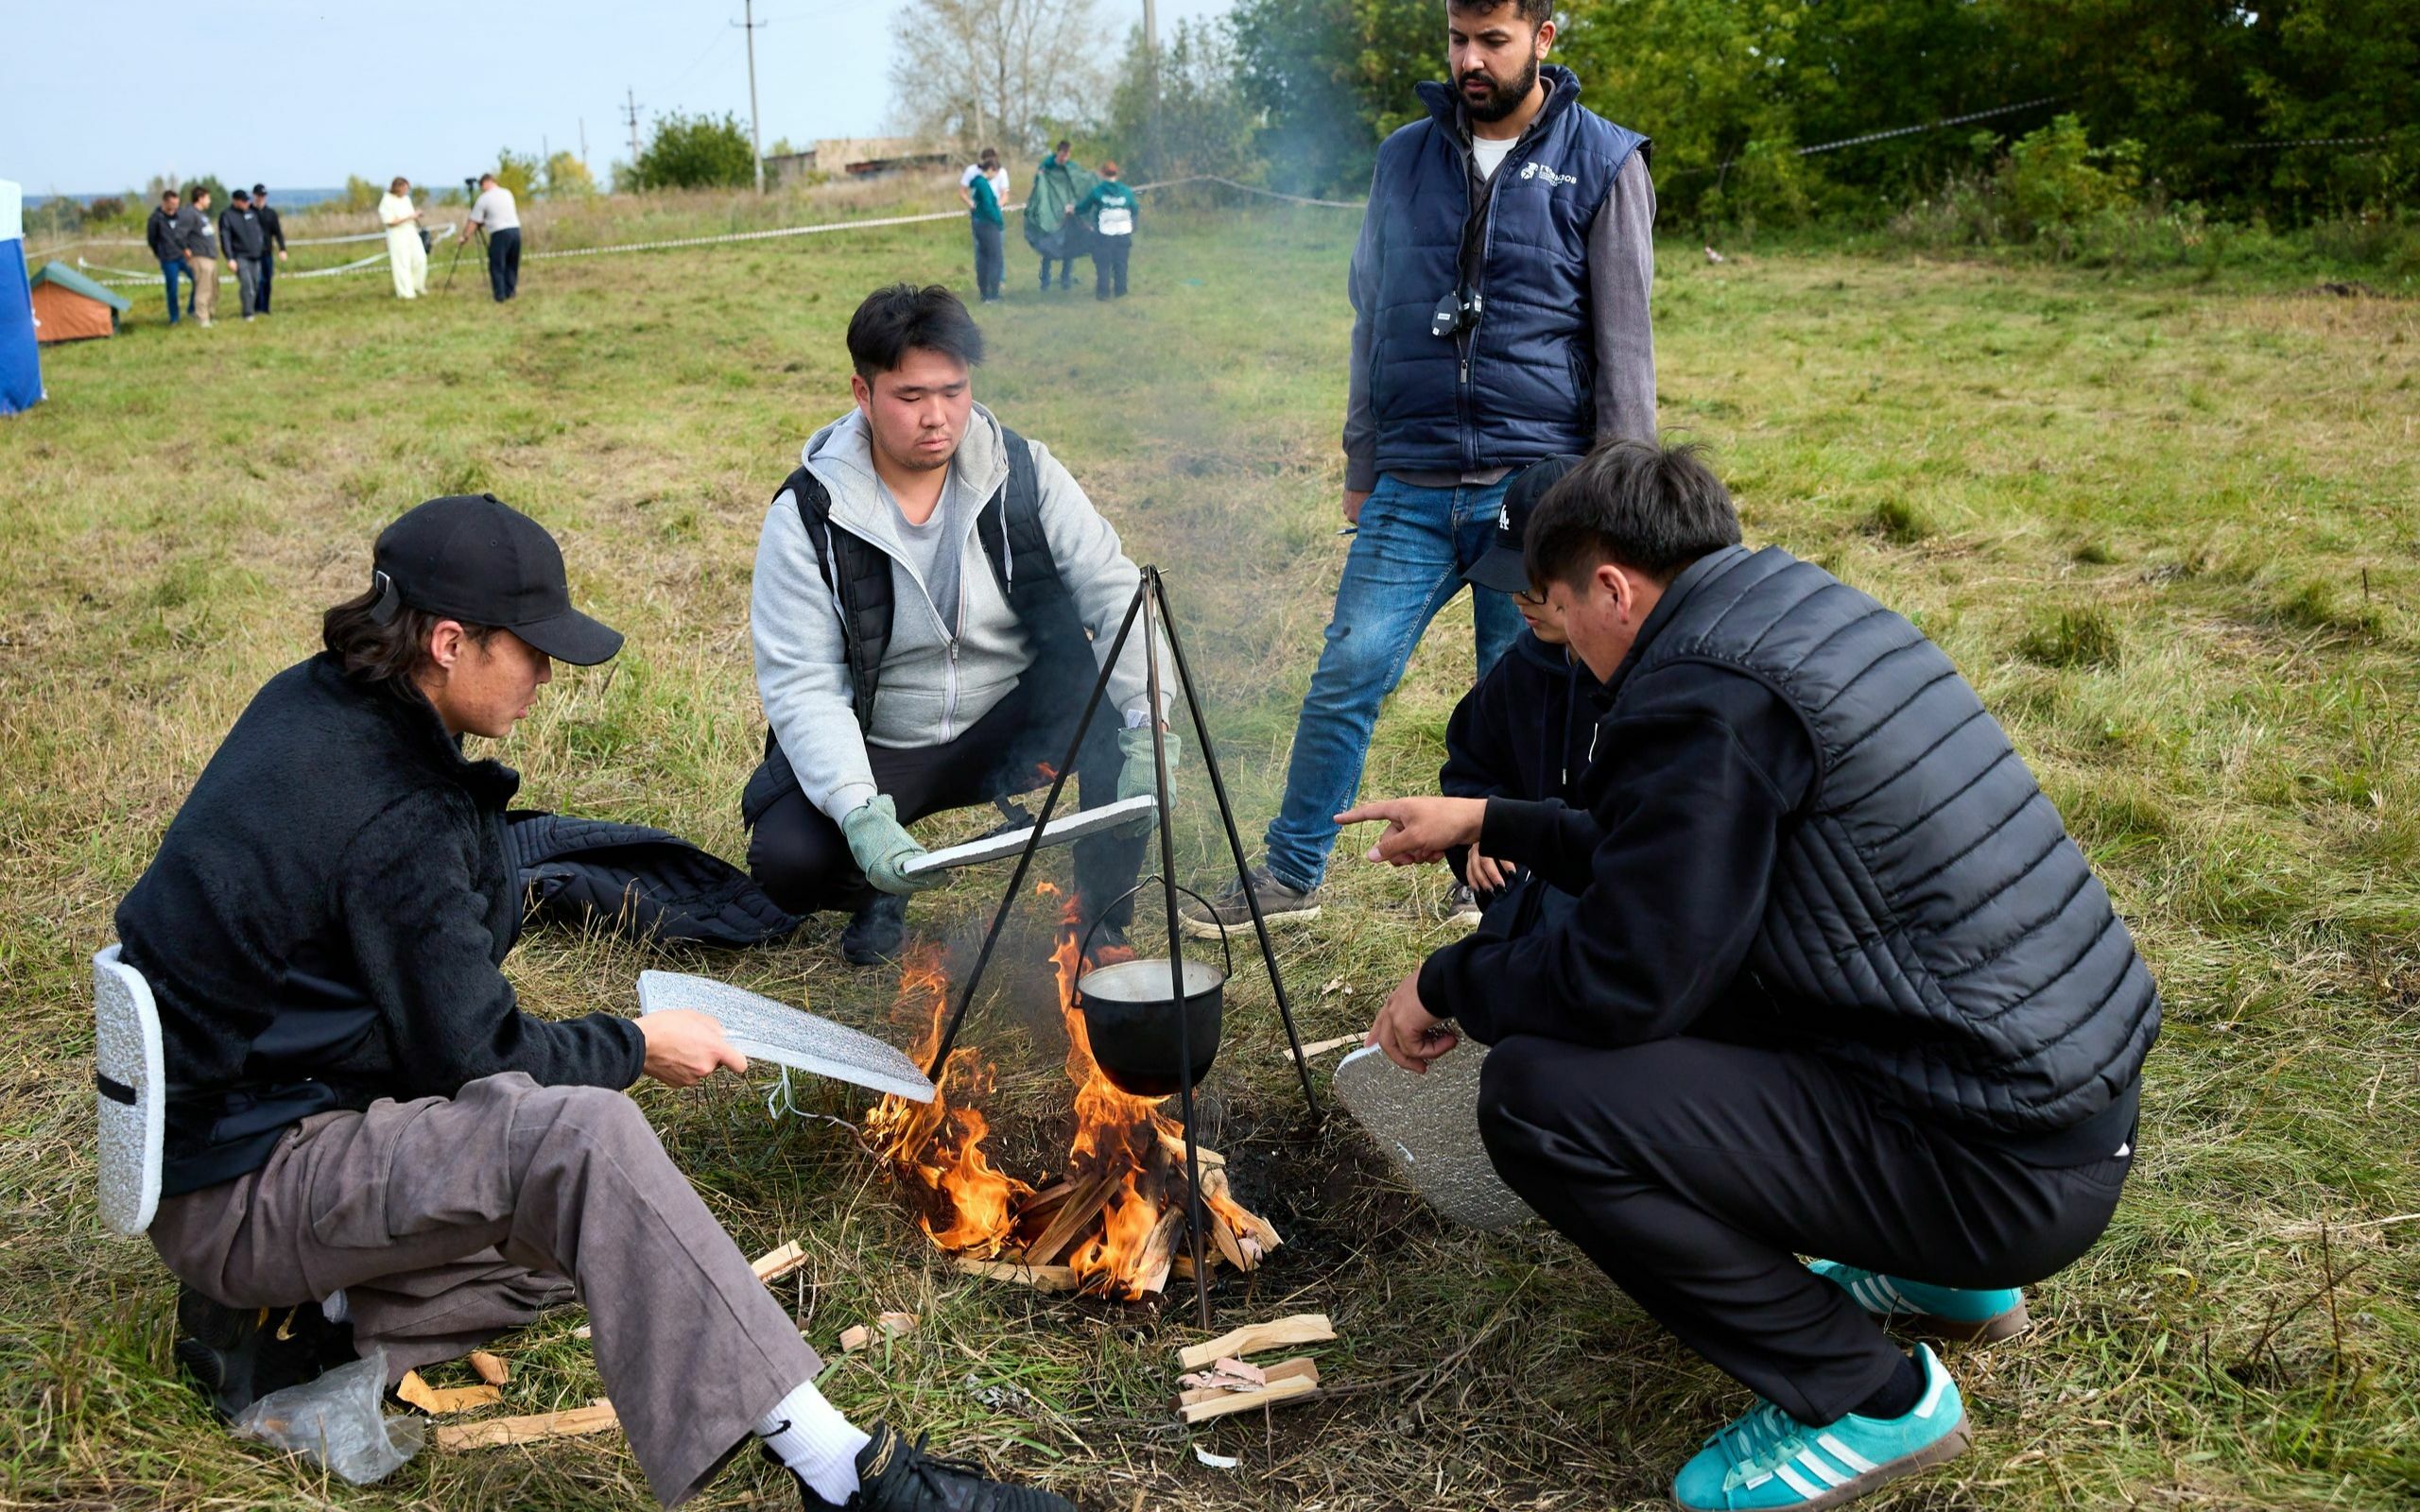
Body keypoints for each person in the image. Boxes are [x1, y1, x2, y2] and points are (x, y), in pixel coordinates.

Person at [120, 492, 1073, 1512]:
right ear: (448, 641)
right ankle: (844, 1476)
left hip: (226, 1133)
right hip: (244, 1187)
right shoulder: (397, 810)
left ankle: (288, 1314)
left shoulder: (316, 702)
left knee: (607, 1250)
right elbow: (476, 1059)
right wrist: (636, 1042)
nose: (545, 677)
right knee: (589, 1146)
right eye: (529, 651)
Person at [1338, 440, 2157, 1512]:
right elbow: (1674, 853)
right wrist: (1495, 818)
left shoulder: (1696, 694)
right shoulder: (1792, 614)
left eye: (1554, 607)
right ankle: (1941, 1276)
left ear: (1613, 589)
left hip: (1999, 1170)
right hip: (2049, 1105)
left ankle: (1869, 1396)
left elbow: (1628, 979)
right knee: (1713, 989)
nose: (1562, 640)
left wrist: (1451, 979)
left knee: (1540, 1097)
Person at [1183, 0, 1657, 936]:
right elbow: (1375, 313)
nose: (1470, 61)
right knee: (1347, 671)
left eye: (1493, 41)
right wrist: (1363, 457)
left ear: (1544, 40)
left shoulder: (1604, 160)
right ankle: (1290, 870)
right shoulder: (1404, 155)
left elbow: (1625, 344)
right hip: (1411, 475)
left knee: (1521, 691)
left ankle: (1497, 874)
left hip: (1539, 489)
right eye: (1457, 40)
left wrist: (1614, 503)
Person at [745, 284, 1168, 966]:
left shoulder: (1024, 470)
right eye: (910, 397)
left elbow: (1114, 590)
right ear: (863, 392)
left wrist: (1151, 720)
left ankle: (1101, 923)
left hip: (1010, 719)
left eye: (954, 390)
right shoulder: (808, 515)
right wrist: (859, 811)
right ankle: (881, 889)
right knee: (789, 857)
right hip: (886, 742)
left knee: (1122, 725)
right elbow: (803, 684)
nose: (937, 418)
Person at [1434, 452, 1589, 925]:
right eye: (1511, 582)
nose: (1519, 599)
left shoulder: (1650, 684)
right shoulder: (1518, 671)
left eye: (1533, 584)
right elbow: (1470, 767)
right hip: (1529, 914)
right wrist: (1481, 831)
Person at [1072, 161, 1137, 301]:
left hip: (1104, 234)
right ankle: (1121, 292)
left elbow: (1083, 207)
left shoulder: (1098, 191)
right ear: (1116, 174)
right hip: (1123, 233)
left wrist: (1072, 209)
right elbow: (1135, 209)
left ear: (1102, 174)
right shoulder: (1126, 191)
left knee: (1103, 264)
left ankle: (1103, 294)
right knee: (1121, 263)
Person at [1029, 140, 1085, 292]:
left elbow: (1078, 183)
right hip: (1051, 215)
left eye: (1067, 155)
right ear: (1058, 152)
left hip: (1067, 214)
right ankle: (1045, 282)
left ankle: (1065, 280)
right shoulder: (1047, 165)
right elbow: (1039, 186)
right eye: (1062, 154)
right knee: (1048, 248)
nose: (1064, 158)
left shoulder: (1071, 167)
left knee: (1069, 247)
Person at [959, 147, 1009, 302]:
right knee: (995, 258)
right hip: (989, 224)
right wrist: (999, 221)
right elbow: (988, 205)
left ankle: (984, 293)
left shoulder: (978, 182)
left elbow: (1002, 195)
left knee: (984, 257)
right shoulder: (984, 185)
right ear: (991, 169)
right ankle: (992, 295)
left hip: (979, 222)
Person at [465, 171, 522, 302]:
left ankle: (500, 295)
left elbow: (474, 221)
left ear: (485, 183)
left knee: (497, 265)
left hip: (499, 233)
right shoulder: (507, 193)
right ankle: (510, 291)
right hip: (515, 230)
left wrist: (465, 237)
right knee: (511, 264)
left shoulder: (484, 198)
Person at [217, 188, 270, 321]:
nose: (247, 203)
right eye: (243, 201)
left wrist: (261, 247)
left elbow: (258, 233)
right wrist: (230, 258)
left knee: (256, 284)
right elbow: (225, 238)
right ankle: (248, 313)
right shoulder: (227, 216)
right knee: (247, 285)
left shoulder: (251, 214)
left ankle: (251, 307)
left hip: (255, 255)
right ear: (235, 201)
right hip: (240, 256)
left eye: (247, 201)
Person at [145, 189, 196, 326]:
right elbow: (152, 240)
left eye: (177, 204)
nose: (175, 207)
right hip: (168, 260)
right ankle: (174, 318)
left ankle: (192, 309)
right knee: (172, 289)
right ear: (165, 202)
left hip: (183, 256)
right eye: (173, 204)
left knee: (198, 279)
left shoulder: (180, 216)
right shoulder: (155, 219)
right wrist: (161, 253)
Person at [379, 177, 427, 300]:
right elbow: (389, 221)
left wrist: (416, 216)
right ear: (398, 188)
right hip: (397, 236)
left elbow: (410, 215)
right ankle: (406, 293)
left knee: (420, 259)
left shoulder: (406, 199)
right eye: (404, 188)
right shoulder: (387, 201)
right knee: (402, 264)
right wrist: (410, 216)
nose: (406, 190)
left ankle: (417, 286)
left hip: (411, 233)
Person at [183, 186, 221, 327]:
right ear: (200, 198)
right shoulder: (189, 214)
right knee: (203, 289)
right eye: (208, 198)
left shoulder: (201, 215)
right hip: (200, 257)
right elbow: (179, 234)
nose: (209, 201)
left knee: (213, 289)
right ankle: (202, 318)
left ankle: (210, 315)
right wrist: (185, 248)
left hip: (210, 257)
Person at [251, 184, 287, 315]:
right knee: (257, 281)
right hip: (252, 254)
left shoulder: (271, 214)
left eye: (263, 196)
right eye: (258, 195)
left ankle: (265, 307)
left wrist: (282, 249)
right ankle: (256, 307)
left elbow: (278, 233)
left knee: (267, 280)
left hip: (266, 253)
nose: (261, 198)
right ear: (254, 195)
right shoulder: (248, 213)